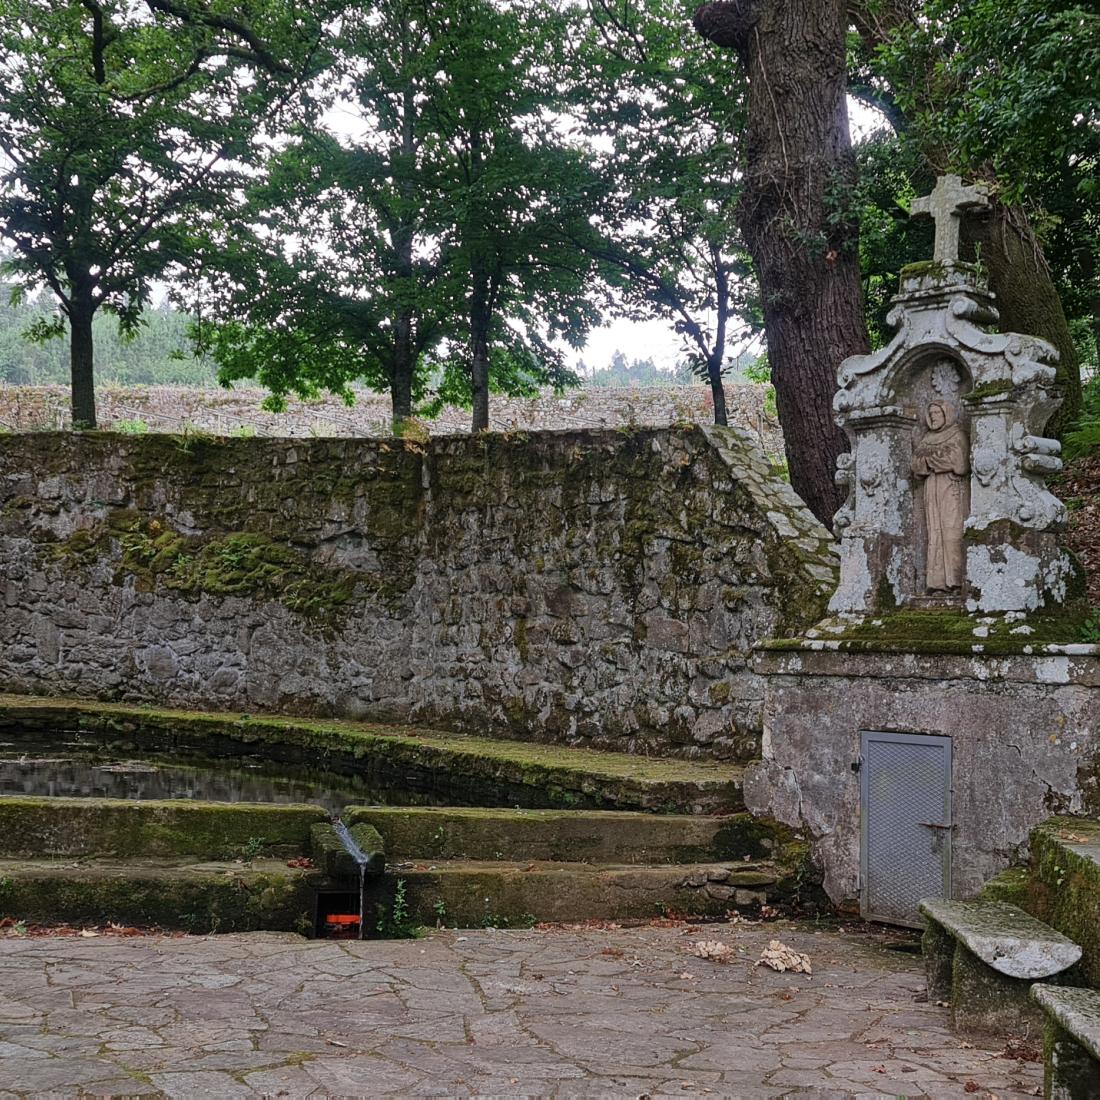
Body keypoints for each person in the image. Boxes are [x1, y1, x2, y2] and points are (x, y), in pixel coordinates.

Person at [911, 400, 969, 592]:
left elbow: (960, 464)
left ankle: (956, 579)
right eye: (932, 413)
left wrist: (932, 461)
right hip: (931, 488)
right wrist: (934, 461)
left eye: (937, 413)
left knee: (951, 531)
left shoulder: (957, 434)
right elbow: (917, 465)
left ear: (947, 414)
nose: (934, 417)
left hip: (951, 488)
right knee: (934, 532)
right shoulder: (927, 438)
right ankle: (936, 583)